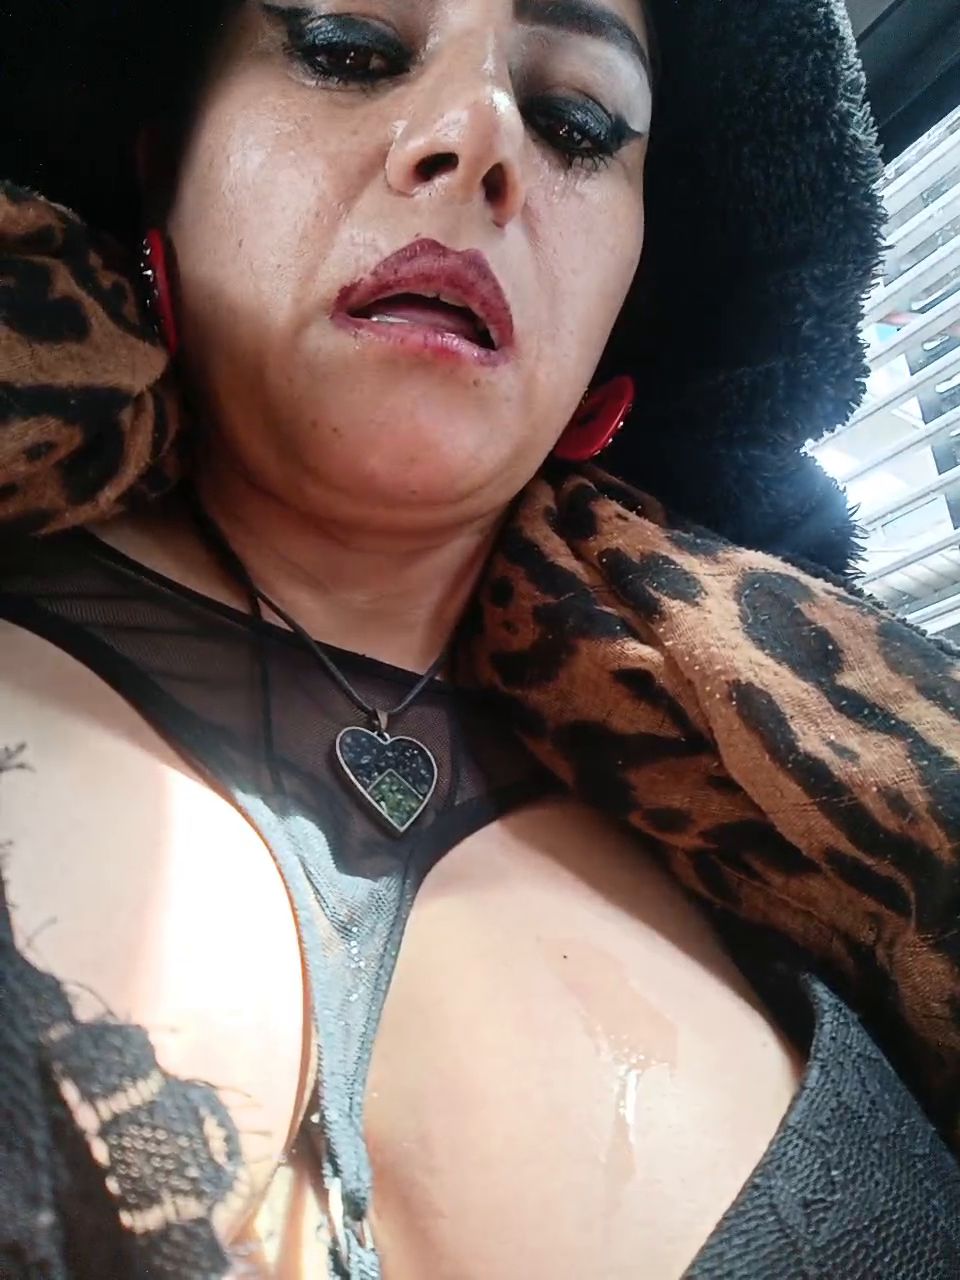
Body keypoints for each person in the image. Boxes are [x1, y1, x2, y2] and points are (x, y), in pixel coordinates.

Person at [0, 1, 959, 1278]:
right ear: (160, 169)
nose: (478, 133)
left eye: (577, 121)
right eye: (346, 50)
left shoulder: (799, 815)